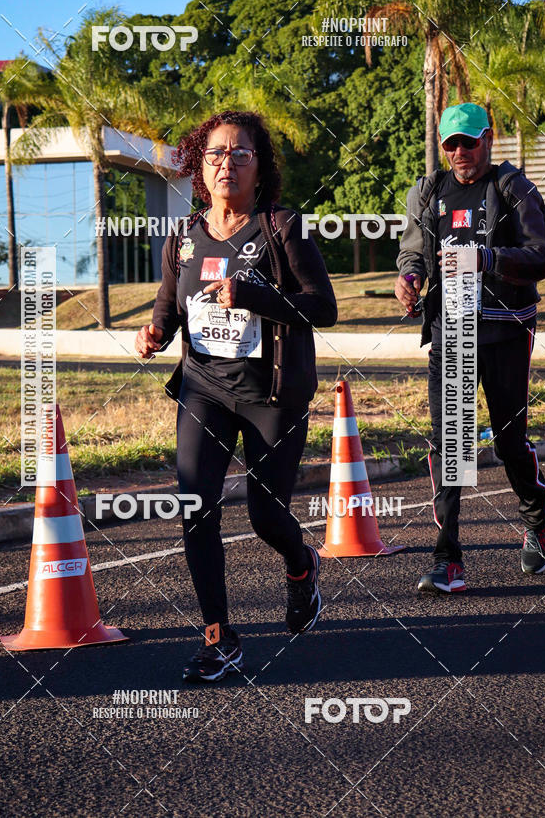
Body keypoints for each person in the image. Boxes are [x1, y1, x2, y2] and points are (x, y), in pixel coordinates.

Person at [135, 110, 337, 680]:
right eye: (217, 154)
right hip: (204, 389)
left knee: (266, 517)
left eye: (240, 153)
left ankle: (301, 567)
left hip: (272, 396)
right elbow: (170, 312)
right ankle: (219, 637)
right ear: (201, 166)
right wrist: (153, 334)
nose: (228, 163)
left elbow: (323, 307)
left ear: (259, 165)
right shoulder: (185, 235)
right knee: (195, 507)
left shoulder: (281, 227)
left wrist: (256, 296)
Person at [395, 102, 545, 594]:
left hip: (505, 328)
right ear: (442, 147)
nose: (461, 152)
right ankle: (448, 558)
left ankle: (538, 520)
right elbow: (414, 249)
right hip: (451, 328)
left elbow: (543, 255)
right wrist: (410, 277)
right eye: (451, 144)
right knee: (452, 443)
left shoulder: (514, 188)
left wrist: (488, 258)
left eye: (470, 141)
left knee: (508, 442)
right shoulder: (428, 191)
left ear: (488, 139)